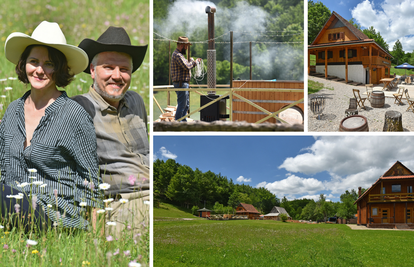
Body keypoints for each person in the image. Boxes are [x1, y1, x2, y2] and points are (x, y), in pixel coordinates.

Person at [0, 21, 102, 230]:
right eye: (34, 61)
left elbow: (90, 178)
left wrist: (96, 239)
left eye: (49, 64)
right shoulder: (12, 111)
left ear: (60, 69)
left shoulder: (73, 115)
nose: (39, 70)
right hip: (10, 203)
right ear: (23, 64)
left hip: (54, 213)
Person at [72, 26, 149, 235]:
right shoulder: (79, 109)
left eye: (124, 69)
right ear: (92, 70)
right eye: (108, 67)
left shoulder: (136, 101)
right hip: (123, 203)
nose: (117, 76)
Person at [170, 36, 201, 122]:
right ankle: (177, 125)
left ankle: (183, 123)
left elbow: (187, 64)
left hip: (183, 83)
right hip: (181, 83)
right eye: (186, 46)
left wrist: (191, 61)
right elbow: (187, 66)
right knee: (182, 105)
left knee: (186, 105)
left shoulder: (180, 55)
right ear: (182, 45)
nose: (187, 48)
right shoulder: (177, 55)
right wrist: (194, 62)